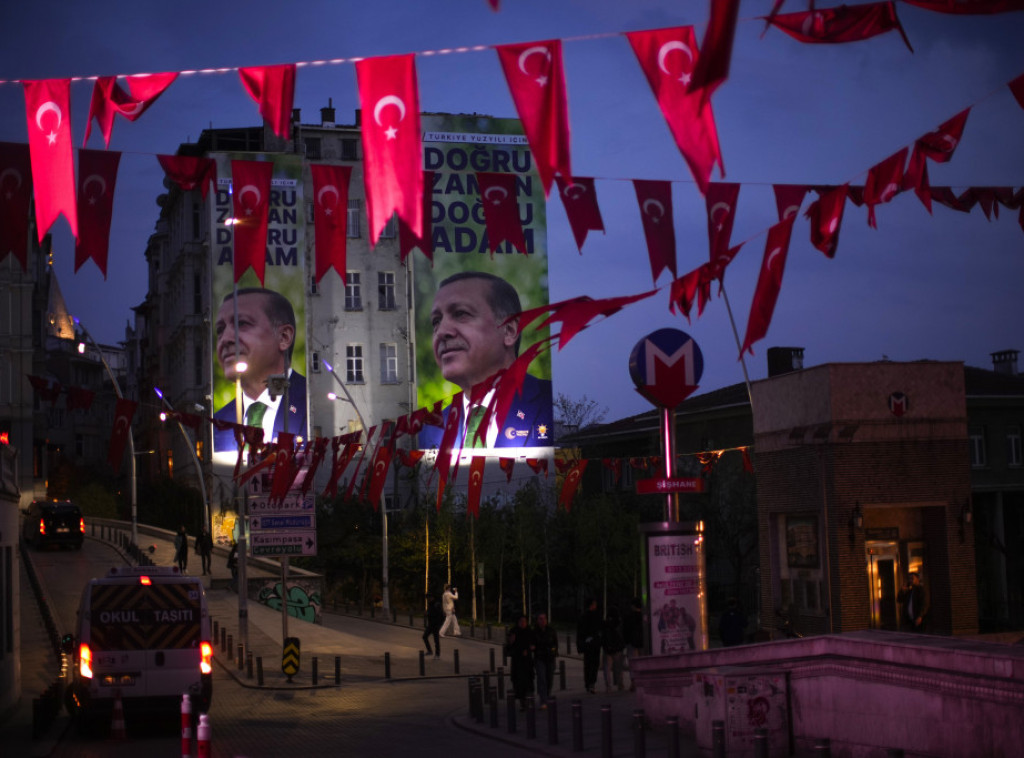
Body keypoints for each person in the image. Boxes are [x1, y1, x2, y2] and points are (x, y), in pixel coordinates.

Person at [418, 272, 553, 449]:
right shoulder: (428, 431)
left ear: (509, 330)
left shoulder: (556, 404)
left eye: (460, 313)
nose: (441, 331)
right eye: (436, 321)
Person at [212, 288, 308, 453]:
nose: (225, 339)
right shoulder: (218, 422)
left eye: (241, 323)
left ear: (284, 337)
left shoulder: (315, 404)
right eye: (220, 330)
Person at [506, 614, 535, 710]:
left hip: (527, 662)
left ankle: (529, 700)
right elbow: (508, 648)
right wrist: (511, 641)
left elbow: (533, 644)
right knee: (519, 682)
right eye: (521, 621)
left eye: (524, 621)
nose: (523, 623)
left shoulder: (529, 631)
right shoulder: (514, 631)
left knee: (528, 681)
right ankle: (523, 702)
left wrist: (530, 649)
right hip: (517, 662)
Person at [576, 597, 602, 694]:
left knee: (589, 664)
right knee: (592, 664)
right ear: (591, 605)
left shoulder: (584, 616)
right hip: (593, 644)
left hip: (590, 644)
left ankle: (589, 683)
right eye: (594, 604)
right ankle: (591, 683)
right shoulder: (593, 616)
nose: (596, 606)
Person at [532, 612, 559, 708]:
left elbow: (555, 643)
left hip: (550, 657)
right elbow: (532, 643)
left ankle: (547, 695)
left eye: (544, 618)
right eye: (540, 618)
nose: (542, 621)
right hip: (540, 658)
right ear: (537, 620)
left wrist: (554, 651)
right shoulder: (534, 632)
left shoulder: (551, 630)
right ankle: (543, 699)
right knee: (542, 678)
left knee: (549, 678)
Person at [601, 607, 626, 692]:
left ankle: (608, 686)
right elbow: (622, 635)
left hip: (607, 649)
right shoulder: (619, 623)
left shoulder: (605, 624)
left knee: (607, 668)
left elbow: (602, 636)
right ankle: (620, 684)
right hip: (618, 649)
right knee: (619, 667)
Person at [622, 597, 644, 692]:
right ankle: (642, 681)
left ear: (633, 606)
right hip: (643, 643)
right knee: (643, 662)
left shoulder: (628, 617)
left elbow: (625, 630)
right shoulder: (645, 616)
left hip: (631, 643)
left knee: (633, 662)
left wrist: (626, 641)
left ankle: (634, 682)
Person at [423, 593, 445, 659]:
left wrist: (439, 624)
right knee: (424, 636)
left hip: (435, 625)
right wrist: (426, 614)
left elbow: (442, 615)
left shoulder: (437, 604)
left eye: (428, 598)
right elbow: (430, 613)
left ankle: (437, 654)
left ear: (432, 597)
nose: (428, 600)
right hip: (430, 624)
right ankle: (429, 651)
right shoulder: (430, 604)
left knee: (436, 640)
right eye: (427, 598)